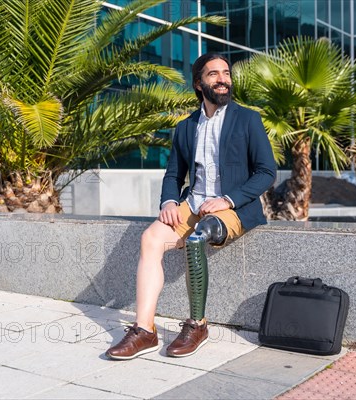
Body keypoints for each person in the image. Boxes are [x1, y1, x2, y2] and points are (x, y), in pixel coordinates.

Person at [106, 53, 276, 360]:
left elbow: (266, 172)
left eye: (226, 73)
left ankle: (197, 325)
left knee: (198, 237)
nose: (223, 79)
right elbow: (174, 173)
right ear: (199, 84)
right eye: (214, 74)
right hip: (193, 203)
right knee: (150, 239)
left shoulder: (248, 119)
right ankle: (145, 330)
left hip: (233, 208)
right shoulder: (186, 127)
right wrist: (169, 201)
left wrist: (227, 199)